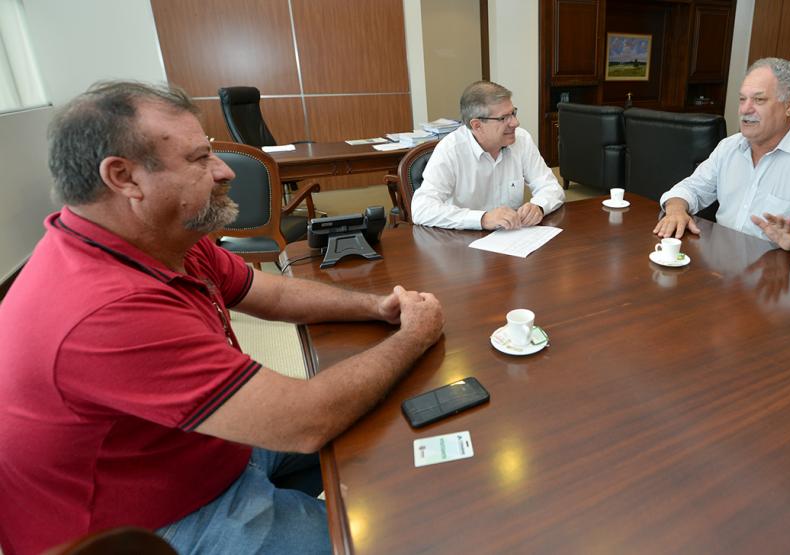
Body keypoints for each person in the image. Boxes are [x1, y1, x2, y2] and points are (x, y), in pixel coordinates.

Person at [0, 81, 444, 555]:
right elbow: (304, 421)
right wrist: (412, 336)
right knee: (393, 539)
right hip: (149, 523)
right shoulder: (103, 309)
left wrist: (375, 307)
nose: (224, 170)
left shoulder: (161, 239)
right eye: (198, 159)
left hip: (194, 447)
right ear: (124, 177)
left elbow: (269, 292)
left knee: (395, 430)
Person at [653, 58, 790, 265]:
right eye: (742, 99)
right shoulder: (729, 147)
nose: (745, 109)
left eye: (759, 100)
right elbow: (691, 188)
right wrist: (676, 209)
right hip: (723, 269)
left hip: (782, 278)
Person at [411, 80, 565, 230]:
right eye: (504, 118)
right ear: (477, 125)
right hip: (464, 241)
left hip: (513, 237)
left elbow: (551, 187)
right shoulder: (451, 149)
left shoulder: (521, 139)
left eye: (513, 113)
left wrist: (539, 206)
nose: (515, 123)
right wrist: (482, 219)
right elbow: (421, 209)